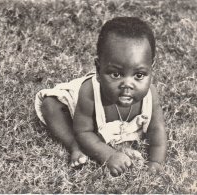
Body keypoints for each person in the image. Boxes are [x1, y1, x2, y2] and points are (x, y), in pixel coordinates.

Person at [35, 17, 166, 176]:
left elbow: (157, 129)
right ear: (98, 69)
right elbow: (84, 132)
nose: (127, 85)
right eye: (116, 74)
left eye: (139, 75)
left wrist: (156, 161)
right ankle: (74, 146)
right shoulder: (88, 92)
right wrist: (108, 155)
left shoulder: (150, 95)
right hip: (76, 109)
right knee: (50, 105)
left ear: (151, 69)